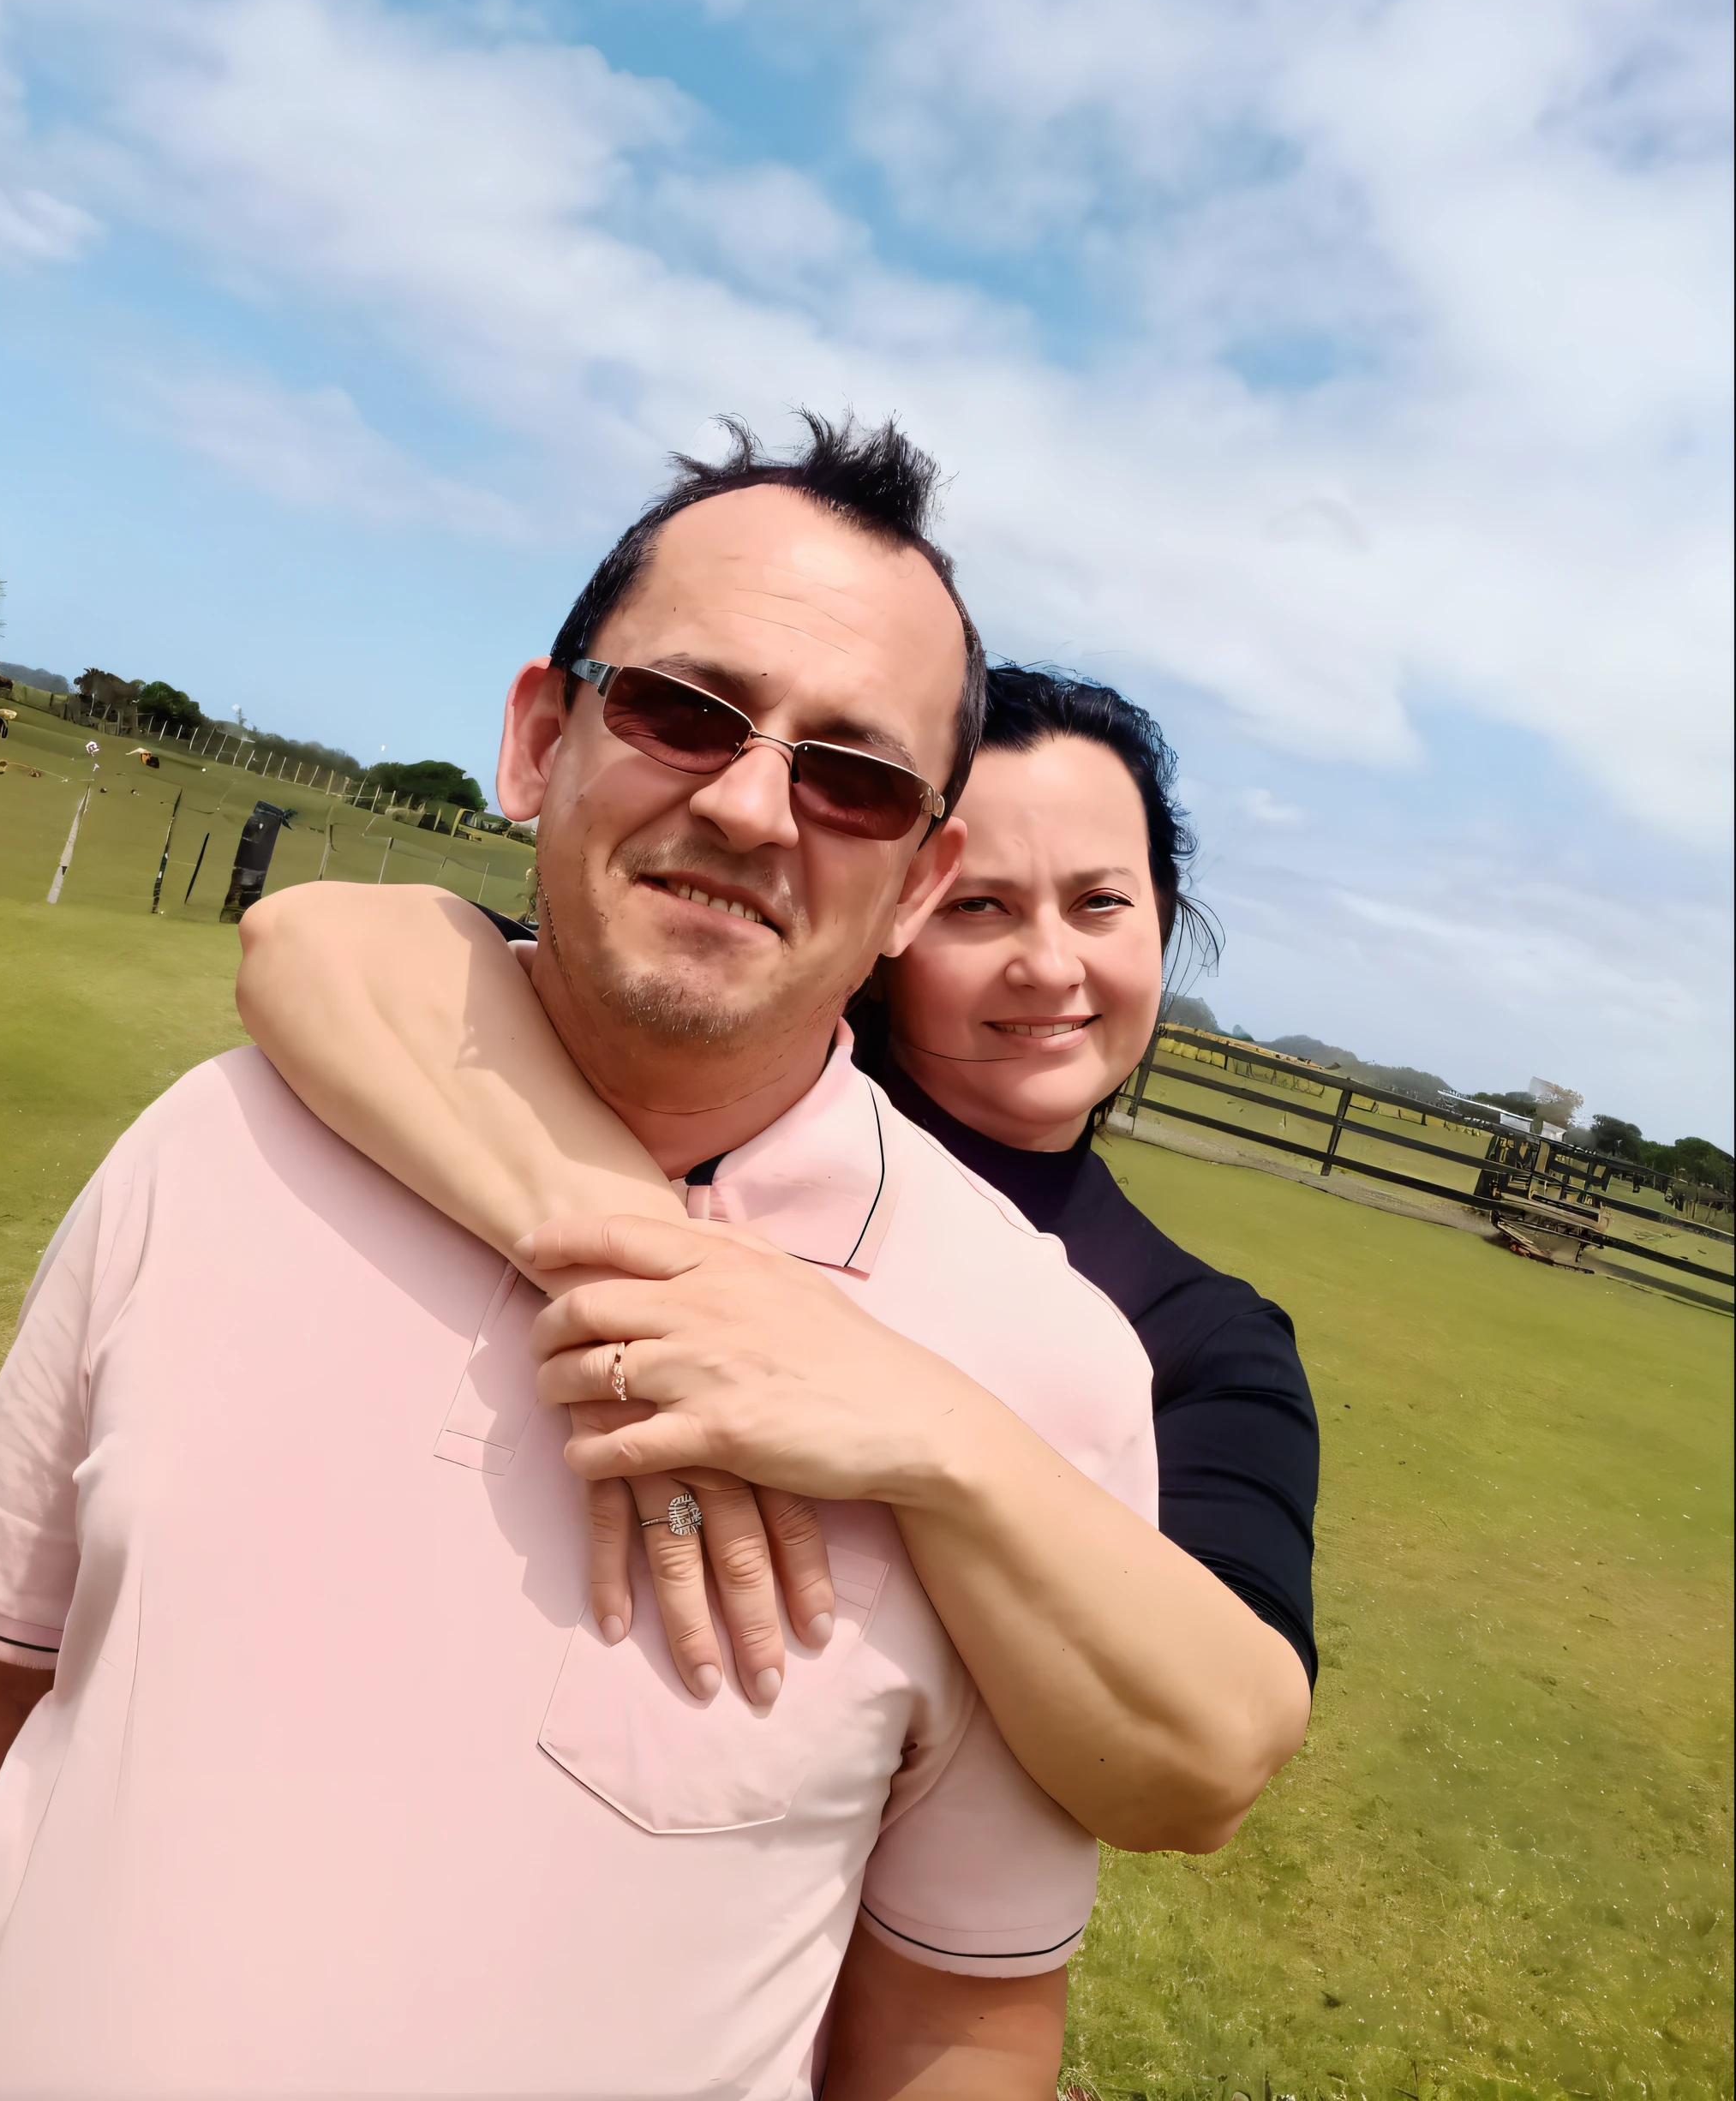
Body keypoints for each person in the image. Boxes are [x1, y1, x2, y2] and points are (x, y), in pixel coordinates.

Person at [0, 417, 1187, 2101]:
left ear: (916, 879)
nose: (749, 805)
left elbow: (956, 2008)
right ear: (539, 738)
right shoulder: (222, 1136)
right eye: (682, 711)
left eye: (853, 776)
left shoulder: (1040, 1373)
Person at [236, 649, 1317, 1846]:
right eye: (982, 906)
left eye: (1102, 903)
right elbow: (321, 940)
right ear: (902, 905)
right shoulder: (695, 1100)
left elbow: (1219, 1750)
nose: (1050, 965)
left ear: (1166, 925)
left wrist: (925, 1428)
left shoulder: (1195, 1333)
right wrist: (655, 1269)